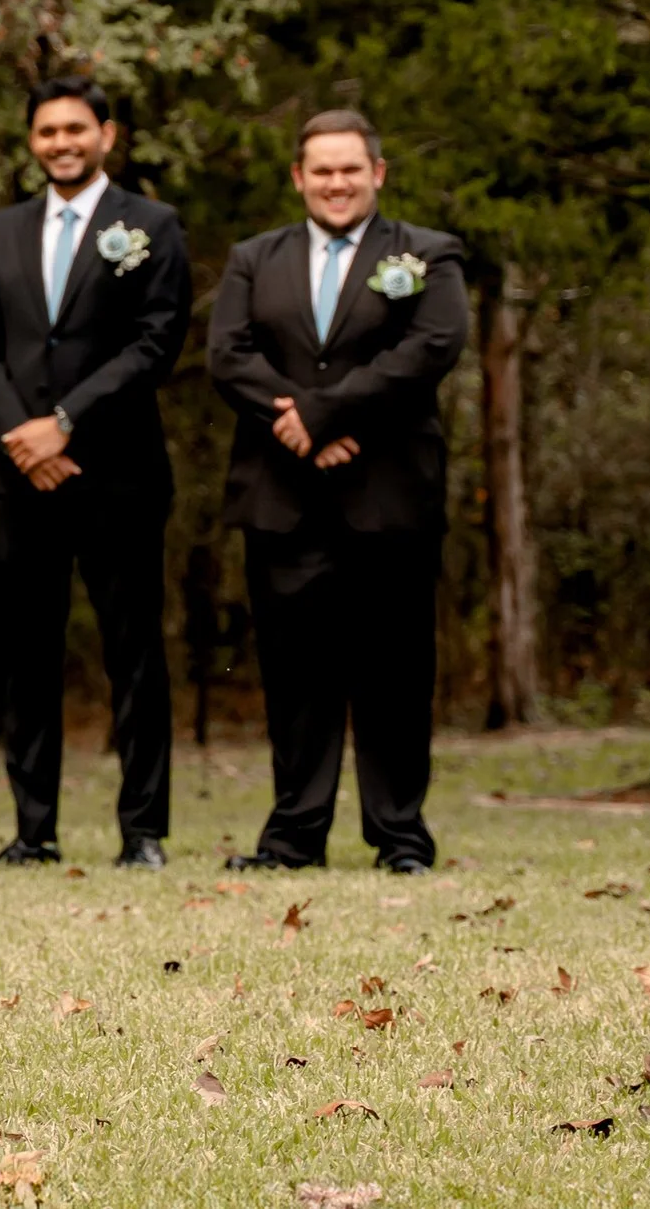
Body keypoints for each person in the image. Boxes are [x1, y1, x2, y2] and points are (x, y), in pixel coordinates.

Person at [207, 108, 466, 874]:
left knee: (394, 670)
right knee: (295, 674)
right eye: (321, 170)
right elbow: (229, 355)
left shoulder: (427, 254)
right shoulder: (256, 258)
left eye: (351, 168)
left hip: (388, 494)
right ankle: (293, 837)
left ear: (378, 173)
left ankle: (400, 837)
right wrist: (298, 424)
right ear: (298, 178)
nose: (336, 183)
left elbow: (431, 348)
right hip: (282, 498)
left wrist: (324, 414)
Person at [0, 77, 190, 870]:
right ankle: (34, 830)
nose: (62, 142)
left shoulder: (150, 226)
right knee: (28, 654)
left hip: (116, 469)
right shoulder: (2, 231)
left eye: (76, 129)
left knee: (133, 653)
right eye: (48, 130)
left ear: (106, 136)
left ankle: (144, 831)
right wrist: (24, 436)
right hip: (18, 474)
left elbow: (156, 343)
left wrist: (65, 424)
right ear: (33, 141)